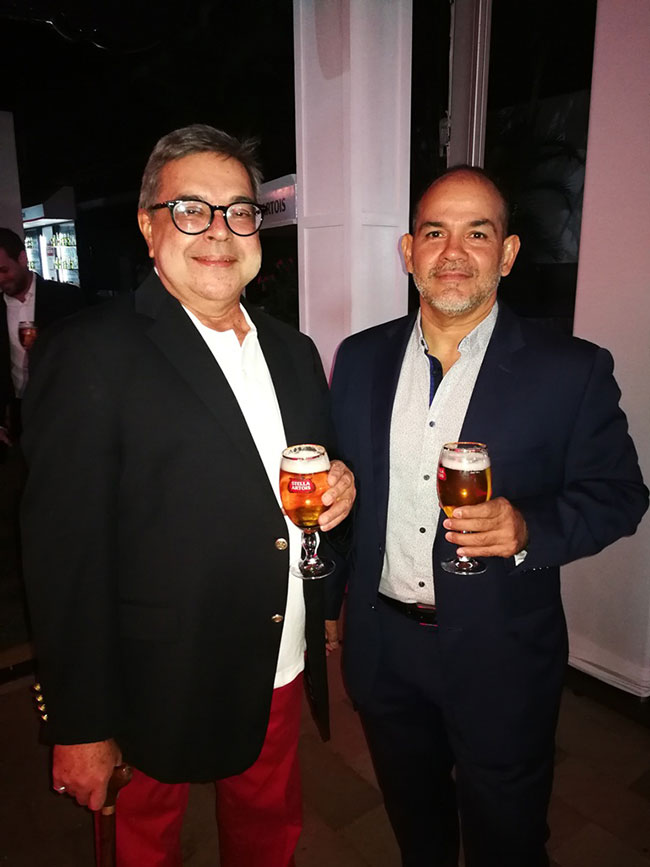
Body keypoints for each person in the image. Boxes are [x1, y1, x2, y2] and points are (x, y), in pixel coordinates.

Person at [21, 124, 355, 867]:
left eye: (239, 211)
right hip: (151, 677)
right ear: (149, 227)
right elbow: (64, 557)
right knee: (143, 846)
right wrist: (81, 723)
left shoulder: (294, 351)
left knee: (268, 831)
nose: (220, 231)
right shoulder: (90, 352)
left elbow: (311, 481)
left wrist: (340, 492)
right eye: (192, 210)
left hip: (275, 655)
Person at [327, 166, 648, 867]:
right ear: (409, 251)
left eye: (477, 233)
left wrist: (529, 528)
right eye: (435, 233)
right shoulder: (358, 359)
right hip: (384, 647)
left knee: (508, 837)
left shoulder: (571, 370)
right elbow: (350, 488)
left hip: (503, 652)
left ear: (507, 253)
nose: (453, 252)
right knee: (418, 828)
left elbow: (621, 493)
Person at [0, 227, 84, 443]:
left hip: (67, 406)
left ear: (22, 259)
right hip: (19, 411)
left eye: (3, 270)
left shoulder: (66, 298)